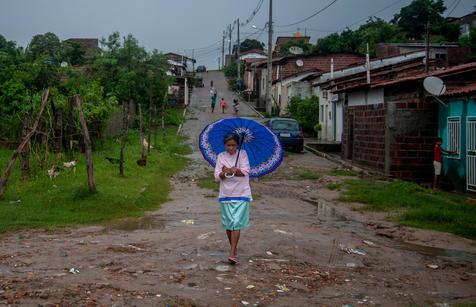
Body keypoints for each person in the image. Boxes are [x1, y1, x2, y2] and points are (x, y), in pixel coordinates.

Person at [214, 133, 251, 265]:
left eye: (233, 145)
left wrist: (234, 170)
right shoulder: (221, 156)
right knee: (229, 224)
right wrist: (225, 172)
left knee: (236, 222)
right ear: (224, 145)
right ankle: (233, 249)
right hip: (225, 194)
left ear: (237, 145)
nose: (231, 148)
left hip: (241, 193)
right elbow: (217, 176)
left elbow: (245, 172)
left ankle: (232, 252)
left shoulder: (243, 154)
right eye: (228, 145)